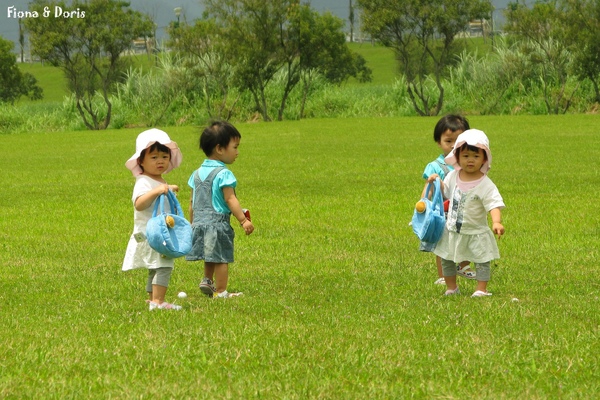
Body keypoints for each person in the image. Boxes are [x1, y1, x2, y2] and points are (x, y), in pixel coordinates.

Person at [426, 129, 505, 297]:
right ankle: (451, 287)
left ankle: (481, 288)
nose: (470, 160)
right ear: (457, 157)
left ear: (484, 159)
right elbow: (445, 192)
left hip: (476, 231)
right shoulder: (453, 176)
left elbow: (494, 203)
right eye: (466, 156)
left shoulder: (486, 184)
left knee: (482, 260)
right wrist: (437, 182)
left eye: (476, 156)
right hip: (452, 229)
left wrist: (496, 221)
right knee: (447, 258)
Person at [186, 121, 254, 298]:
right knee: (222, 257)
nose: (237, 152)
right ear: (220, 149)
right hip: (218, 223)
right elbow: (230, 199)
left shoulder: (196, 173)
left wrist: (191, 223)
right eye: (235, 147)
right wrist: (243, 220)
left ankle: (207, 280)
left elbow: (191, 202)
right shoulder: (224, 174)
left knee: (210, 253)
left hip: (200, 222)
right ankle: (221, 291)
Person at [122, 128, 184, 311]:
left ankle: (152, 300)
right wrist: (157, 190)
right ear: (141, 160)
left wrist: (167, 188)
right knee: (164, 266)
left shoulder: (159, 181)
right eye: (154, 157)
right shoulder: (143, 182)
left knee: (154, 267)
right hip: (153, 233)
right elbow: (139, 204)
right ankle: (158, 302)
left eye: (164, 157)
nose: (160, 161)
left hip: (159, 231)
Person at [421, 114, 475, 285]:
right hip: (443, 211)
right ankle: (443, 275)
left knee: (467, 236)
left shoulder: (469, 162)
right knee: (442, 243)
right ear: (439, 142)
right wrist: (424, 202)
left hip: (465, 210)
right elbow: (429, 187)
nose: (453, 145)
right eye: (448, 141)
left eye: (458, 140)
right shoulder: (436, 166)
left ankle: (464, 265)